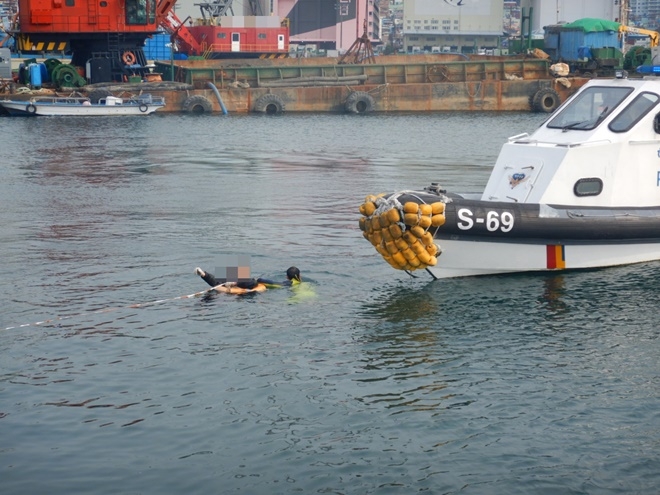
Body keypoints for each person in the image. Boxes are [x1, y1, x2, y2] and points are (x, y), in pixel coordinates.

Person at [195, 266, 302, 294]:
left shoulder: (288, 283)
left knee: (252, 281)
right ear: (298, 276)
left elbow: (274, 283)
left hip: (254, 283)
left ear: (287, 276)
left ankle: (205, 275)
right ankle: (205, 275)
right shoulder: (294, 283)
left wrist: (260, 279)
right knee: (221, 282)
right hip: (253, 287)